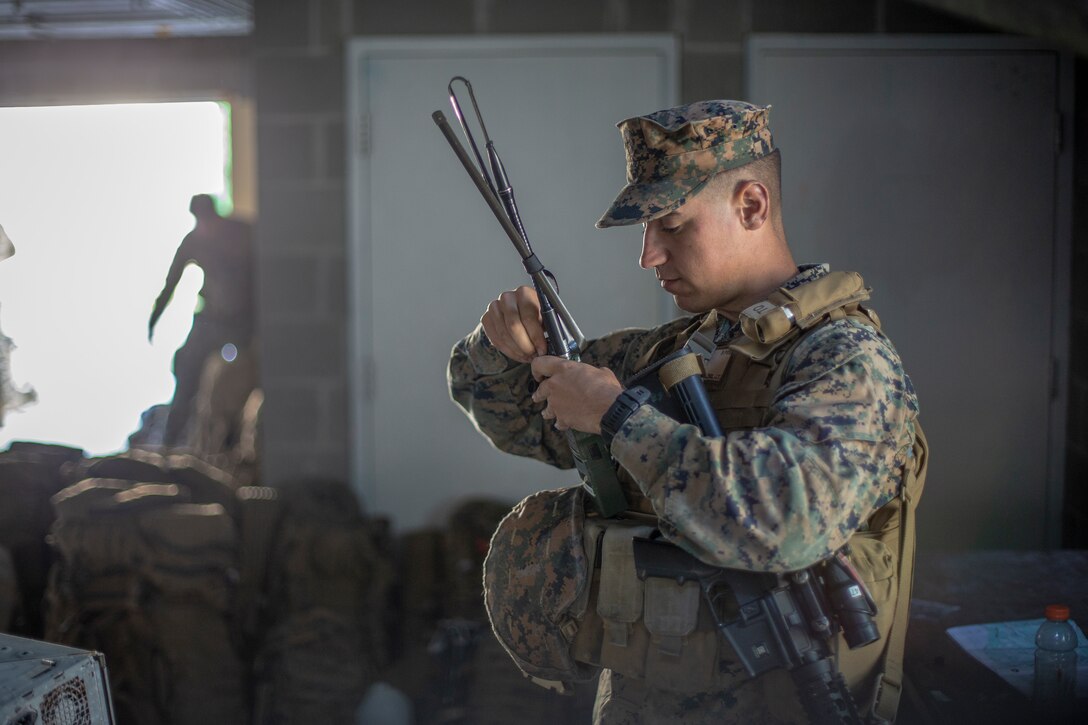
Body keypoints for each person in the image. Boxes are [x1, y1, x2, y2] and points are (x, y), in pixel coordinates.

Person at [447, 100, 926, 724]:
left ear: (751, 206)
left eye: (670, 226)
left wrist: (621, 419)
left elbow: (787, 517)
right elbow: (515, 418)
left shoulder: (844, 360)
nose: (648, 256)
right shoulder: (675, 350)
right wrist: (500, 345)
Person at [149, 194, 254, 446]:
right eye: (200, 220)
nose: (206, 226)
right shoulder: (194, 242)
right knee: (186, 366)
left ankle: (232, 437)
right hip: (211, 321)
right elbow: (170, 283)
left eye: (209, 219)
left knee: (239, 379)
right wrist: (155, 317)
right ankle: (170, 442)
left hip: (243, 322)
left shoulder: (242, 232)